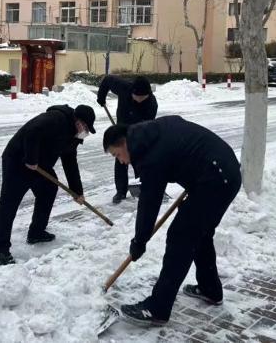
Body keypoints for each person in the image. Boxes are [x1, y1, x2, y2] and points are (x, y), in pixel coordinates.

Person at [102, 116, 241, 326]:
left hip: (216, 177)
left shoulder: (152, 156)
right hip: (221, 171)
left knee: (181, 236)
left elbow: (149, 202)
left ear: (124, 143)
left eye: (117, 154)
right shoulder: (150, 135)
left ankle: (158, 308)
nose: (120, 161)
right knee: (199, 234)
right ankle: (210, 289)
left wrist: (140, 240)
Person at [0, 104, 96, 265]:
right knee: (9, 203)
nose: (85, 132)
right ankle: (0, 249)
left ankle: (36, 232)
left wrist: (77, 192)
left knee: (48, 189)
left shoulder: (73, 137)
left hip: (39, 165)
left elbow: (70, 163)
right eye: (86, 128)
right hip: (18, 159)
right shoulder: (56, 118)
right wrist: (31, 158)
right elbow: (33, 131)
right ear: (79, 121)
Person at [97, 75, 158, 203]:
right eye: (137, 98)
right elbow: (107, 80)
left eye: (143, 98)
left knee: (140, 156)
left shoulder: (152, 104)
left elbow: (148, 128)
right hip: (121, 127)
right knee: (120, 158)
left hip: (138, 130)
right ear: (132, 92)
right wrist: (101, 96)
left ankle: (143, 185)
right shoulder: (124, 87)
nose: (140, 101)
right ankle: (121, 191)